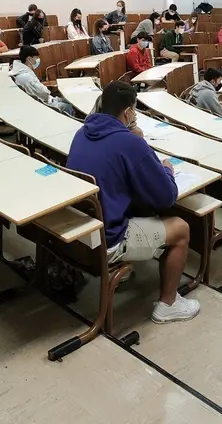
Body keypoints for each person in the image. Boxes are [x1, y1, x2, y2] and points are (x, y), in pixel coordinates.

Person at [67, 81, 198, 323]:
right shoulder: (130, 143)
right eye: (134, 111)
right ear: (128, 112)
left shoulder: (81, 132)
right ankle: (168, 304)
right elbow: (166, 196)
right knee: (181, 228)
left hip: (81, 230)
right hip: (107, 239)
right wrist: (165, 168)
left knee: (137, 205)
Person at [10, 45, 74, 115]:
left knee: (70, 101)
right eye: (36, 58)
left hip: (48, 99)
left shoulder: (23, 71)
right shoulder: (26, 76)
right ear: (29, 59)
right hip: (43, 104)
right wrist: (47, 91)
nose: (38, 60)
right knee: (68, 106)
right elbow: (45, 94)